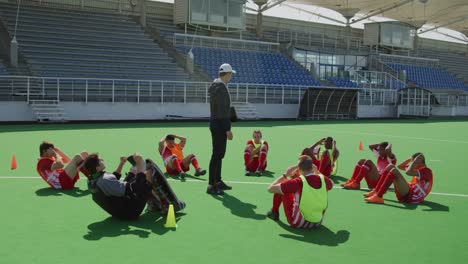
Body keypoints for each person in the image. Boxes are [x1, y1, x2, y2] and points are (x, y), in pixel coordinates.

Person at [267, 155, 333, 229]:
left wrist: (285, 175)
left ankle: (274, 212)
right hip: (318, 222)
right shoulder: (323, 179)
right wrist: (317, 172)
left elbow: (270, 189)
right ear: (312, 167)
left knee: (282, 187)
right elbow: (331, 184)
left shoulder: (298, 181)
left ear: (299, 169)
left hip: (298, 223)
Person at [207, 63, 235, 195]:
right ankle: (211, 185)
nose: (231, 77)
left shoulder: (217, 86)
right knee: (217, 155)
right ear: (228, 74)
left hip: (216, 124)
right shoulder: (221, 88)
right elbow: (222, 111)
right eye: (231, 74)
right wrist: (227, 129)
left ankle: (217, 181)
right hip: (219, 125)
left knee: (219, 155)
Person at [365, 153, 433, 204]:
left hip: (413, 197)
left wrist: (415, 161)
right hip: (408, 191)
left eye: (414, 162)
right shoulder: (417, 169)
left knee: (394, 171)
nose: (412, 163)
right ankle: (377, 191)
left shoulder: (427, 171)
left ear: (419, 162)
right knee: (390, 166)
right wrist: (410, 159)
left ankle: (378, 197)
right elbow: (400, 166)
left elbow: (408, 172)